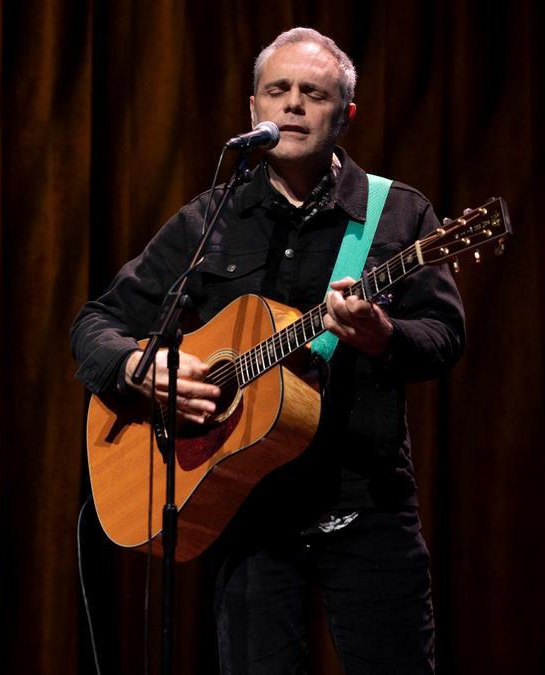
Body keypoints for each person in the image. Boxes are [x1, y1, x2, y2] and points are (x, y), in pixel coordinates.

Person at [70, 27, 464, 674]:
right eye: (277, 90)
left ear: (346, 115)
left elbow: (445, 337)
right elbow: (98, 321)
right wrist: (141, 365)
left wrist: (383, 336)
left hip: (367, 507)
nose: (293, 105)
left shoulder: (397, 215)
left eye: (314, 93)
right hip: (248, 511)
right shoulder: (210, 219)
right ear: (252, 110)